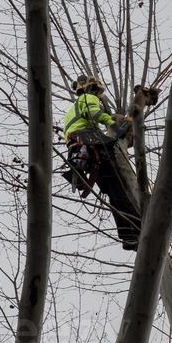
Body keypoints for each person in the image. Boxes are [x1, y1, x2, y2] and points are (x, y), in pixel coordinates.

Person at [62, 75, 142, 250]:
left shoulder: (71, 111)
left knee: (113, 193)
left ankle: (128, 237)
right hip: (90, 143)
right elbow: (95, 113)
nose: (99, 97)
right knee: (118, 188)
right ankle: (136, 227)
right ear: (92, 89)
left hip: (80, 149)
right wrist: (115, 124)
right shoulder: (88, 98)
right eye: (98, 93)